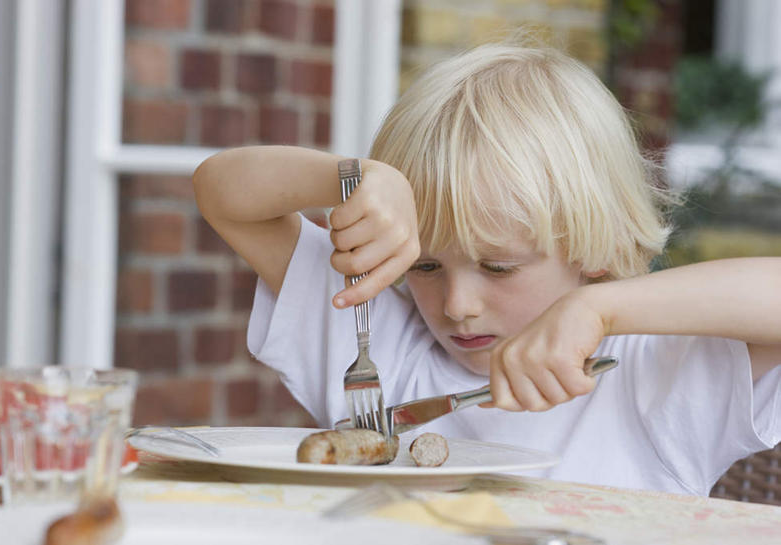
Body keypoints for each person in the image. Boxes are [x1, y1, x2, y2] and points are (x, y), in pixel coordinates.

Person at [192, 42, 781, 495]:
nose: (456, 305)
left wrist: (597, 309)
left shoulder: (652, 375)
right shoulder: (378, 343)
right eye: (425, 265)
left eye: (498, 267)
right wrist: (352, 179)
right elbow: (222, 194)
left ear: (593, 249)